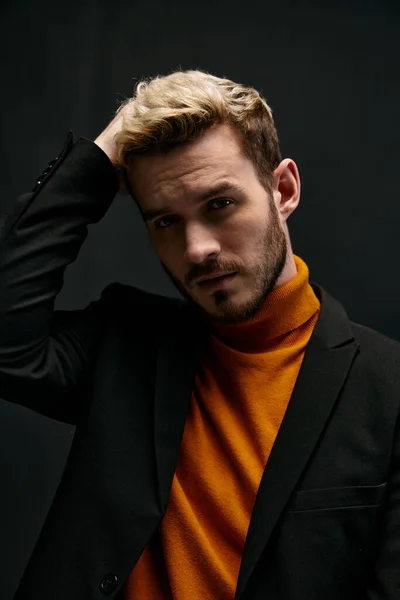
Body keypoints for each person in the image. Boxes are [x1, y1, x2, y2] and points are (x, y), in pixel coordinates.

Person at [0, 69, 399, 600]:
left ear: (282, 190)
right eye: (165, 221)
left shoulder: (388, 388)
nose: (195, 249)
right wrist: (98, 159)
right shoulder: (127, 343)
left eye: (219, 205)